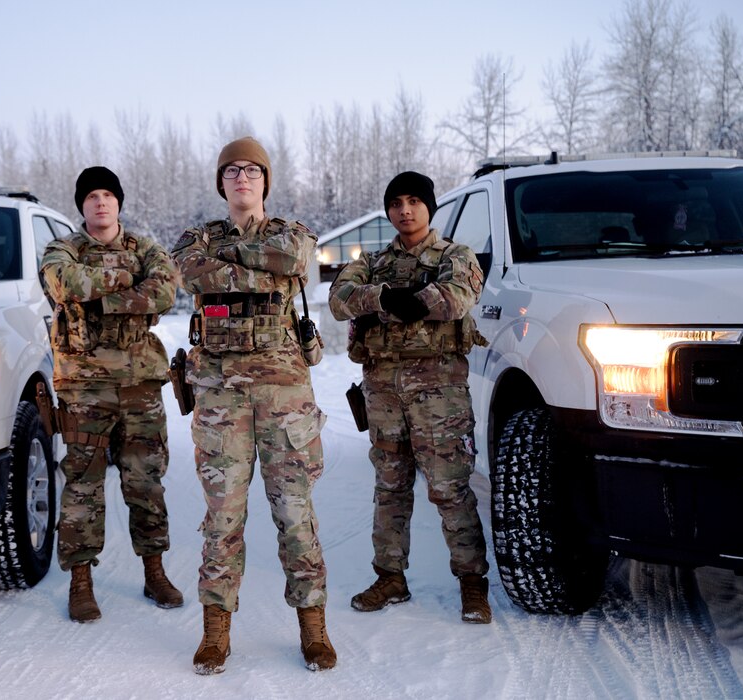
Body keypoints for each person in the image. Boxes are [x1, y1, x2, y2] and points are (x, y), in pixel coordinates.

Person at [171, 137, 336, 674]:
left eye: (253, 171)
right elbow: (186, 272)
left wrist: (230, 260)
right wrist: (251, 264)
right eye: (232, 171)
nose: (243, 178)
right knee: (222, 518)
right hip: (220, 396)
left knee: (295, 514)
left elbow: (294, 258)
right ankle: (215, 631)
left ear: (265, 181)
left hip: (284, 394)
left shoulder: (291, 234)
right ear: (221, 182)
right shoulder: (196, 239)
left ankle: (314, 627)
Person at [328, 171, 492, 624]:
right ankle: (390, 577)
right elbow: (339, 298)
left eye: (414, 201)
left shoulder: (455, 255)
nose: (405, 210)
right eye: (396, 203)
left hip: (438, 392)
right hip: (382, 389)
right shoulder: (374, 263)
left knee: (449, 488)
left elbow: (457, 296)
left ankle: (473, 584)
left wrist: (404, 302)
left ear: (429, 206)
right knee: (390, 488)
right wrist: (384, 295)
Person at [41, 166, 183, 623]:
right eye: (91, 196)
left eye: (108, 195)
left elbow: (164, 291)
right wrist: (128, 283)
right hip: (84, 387)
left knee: (146, 482)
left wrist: (100, 296)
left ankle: (154, 571)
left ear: (118, 202)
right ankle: (80, 581)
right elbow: (64, 284)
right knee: (83, 484)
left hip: (140, 385)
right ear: (81, 205)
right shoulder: (63, 249)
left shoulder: (145, 248)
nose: (100, 203)